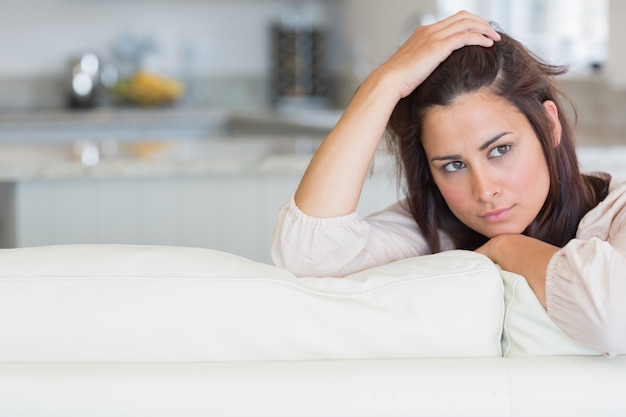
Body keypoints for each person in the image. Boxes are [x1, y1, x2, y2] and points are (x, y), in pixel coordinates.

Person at [270, 11, 626, 356]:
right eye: (454, 165)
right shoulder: (433, 227)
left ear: (549, 126)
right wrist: (383, 84)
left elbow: (612, 318)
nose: (484, 191)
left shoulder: (618, 212)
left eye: (500, 149)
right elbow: (308, 259)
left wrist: (508, 248)